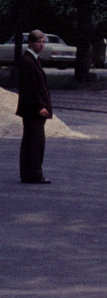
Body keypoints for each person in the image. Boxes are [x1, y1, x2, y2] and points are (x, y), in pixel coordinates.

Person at [15, 29, 53, 184]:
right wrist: (40, 106)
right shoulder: (28, 61)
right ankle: (34, 174)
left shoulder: (34, 59)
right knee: (35, 142)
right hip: (33, 110)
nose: (42, 44)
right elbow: (30, 88)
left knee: (31, 141)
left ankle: (29, 174)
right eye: (39, 41)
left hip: (32, 109)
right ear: (30, 42)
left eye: (43, 41)